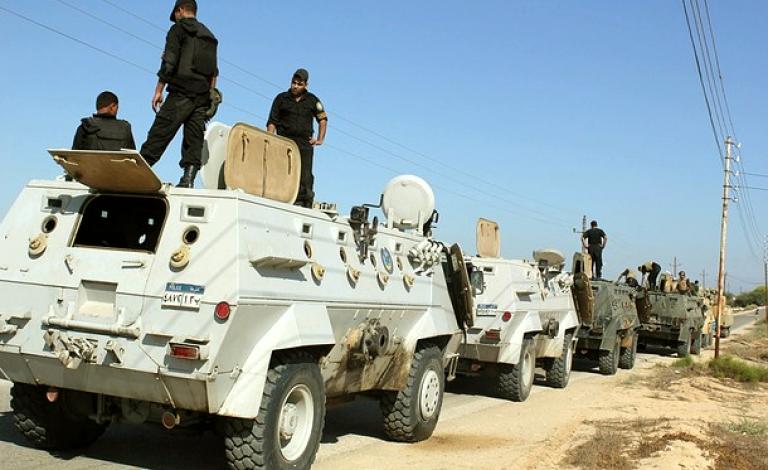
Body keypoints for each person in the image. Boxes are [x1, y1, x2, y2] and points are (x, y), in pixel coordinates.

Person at [139, 0, 218, 188]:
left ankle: (138, 174)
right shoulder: (209, 36)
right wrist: (210, 95)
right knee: (194, 139)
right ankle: (188, 179)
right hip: (201, 96)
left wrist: (158, 91)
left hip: (181, 92)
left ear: (180, 10)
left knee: (160, 133)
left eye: (175, 15)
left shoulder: (178, 30)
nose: (175, 19)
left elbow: (169, 62)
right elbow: (214, 72)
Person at [267, 68, 328, 208]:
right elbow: (272, 121)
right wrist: (270, 139)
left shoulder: (313, 100)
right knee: (282, 171)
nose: (295, 86)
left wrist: (320, 139)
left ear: (306, 85)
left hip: (304, 144)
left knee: (305, 176)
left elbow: (323, 119)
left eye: (299, 84)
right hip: (284, 142)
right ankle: (280, 199)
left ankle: (304, 203)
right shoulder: (281, 99)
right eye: (293, 83)